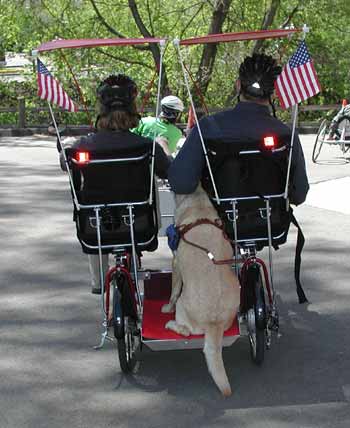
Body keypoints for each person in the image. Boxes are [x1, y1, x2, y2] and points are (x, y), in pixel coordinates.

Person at [59, 74, 171, 294]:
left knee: (92, 213)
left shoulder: (83, 146)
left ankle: (98, 281)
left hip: (96, 226)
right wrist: (163, 149)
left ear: (101, 109)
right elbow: (167, 171)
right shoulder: (146, 145)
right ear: (133, 108)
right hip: (140, 222)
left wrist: (68, 149)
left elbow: (66, 163)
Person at [168, 53, 309, 206]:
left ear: (238, 85)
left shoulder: (208, 128)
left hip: (220, 225)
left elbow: (180, 183)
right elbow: (299, 195)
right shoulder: (286, 135)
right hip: (273, 226)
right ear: (274, 92)